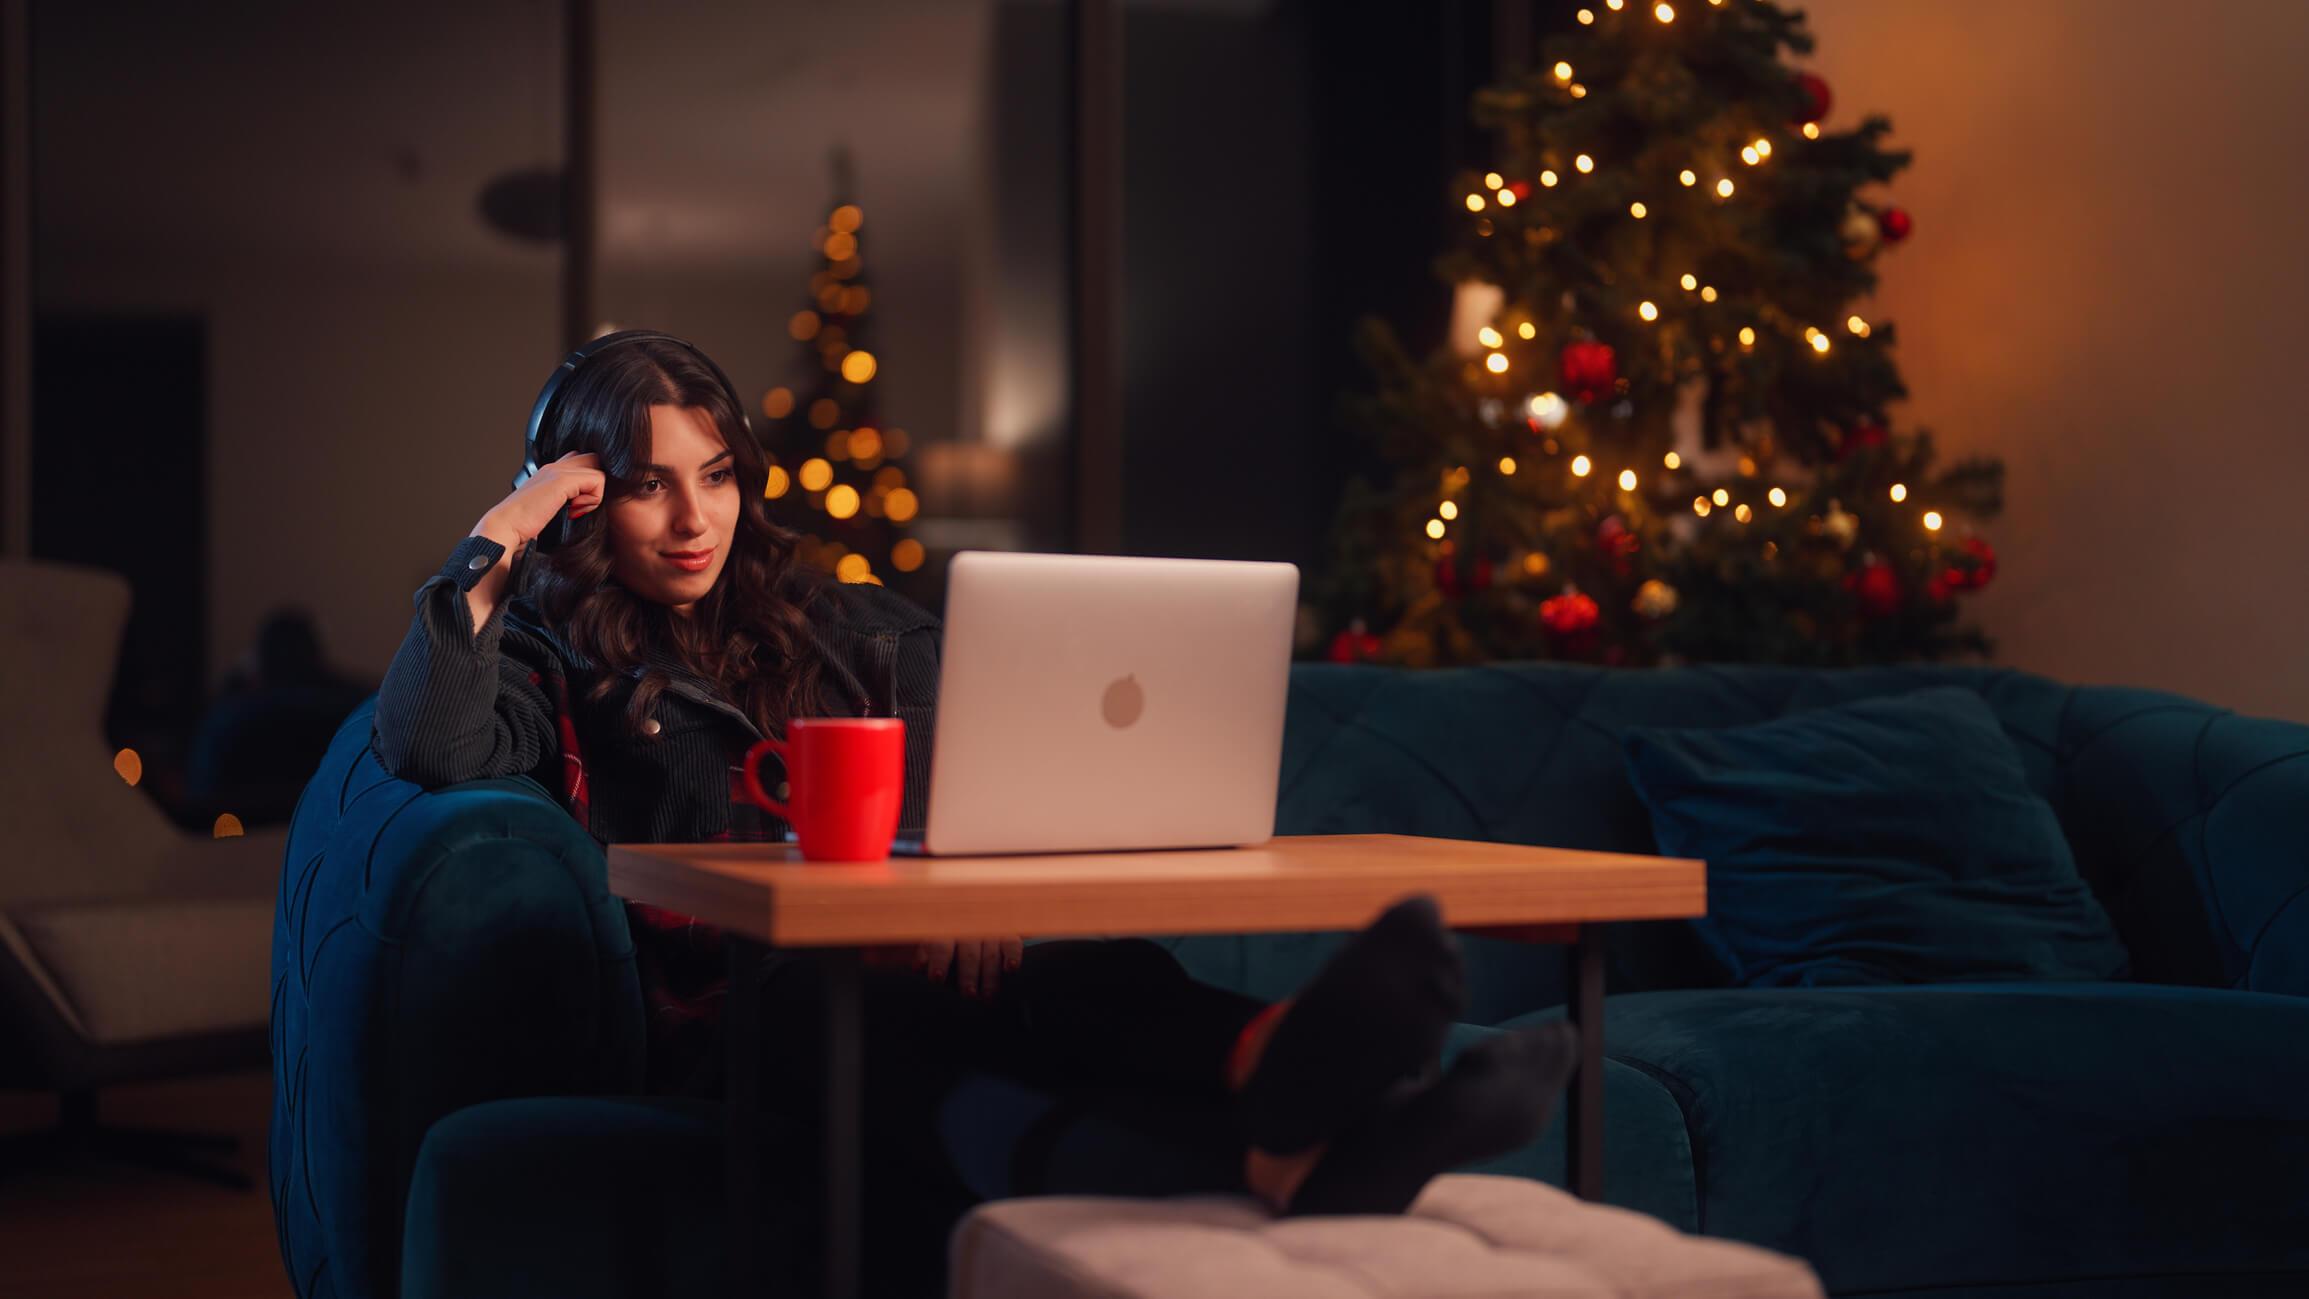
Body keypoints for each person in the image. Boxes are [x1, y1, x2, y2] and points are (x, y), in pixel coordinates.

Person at [372, 333, 1577, 1295]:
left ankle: (1301, 1084)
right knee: (841, 1018)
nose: (695, 519)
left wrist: (966, 892)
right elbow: (426, 740)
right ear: (581, 502)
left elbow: (981, 768)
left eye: (718, 475)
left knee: (1090, 981)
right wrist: (506, 527)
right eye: (645, 488)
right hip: (742, 1018)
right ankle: (1335, 1134)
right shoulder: (541, 657)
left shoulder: (829, 619)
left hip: (925, 961)